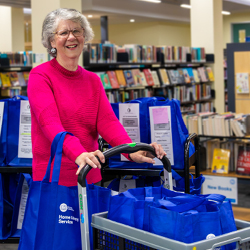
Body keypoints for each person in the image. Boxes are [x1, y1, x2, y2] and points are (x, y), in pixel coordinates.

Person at [28, 8, 166, 187]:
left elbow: (108, 122)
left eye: (77, 31)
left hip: (89, 174)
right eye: (63, 32)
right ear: (52, 40)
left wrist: (131, 150)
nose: (71, 37)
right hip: (53, 178)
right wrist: (78, 153)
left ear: (84, 36)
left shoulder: (92, 80)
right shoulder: (40, 76)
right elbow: (50, 125)